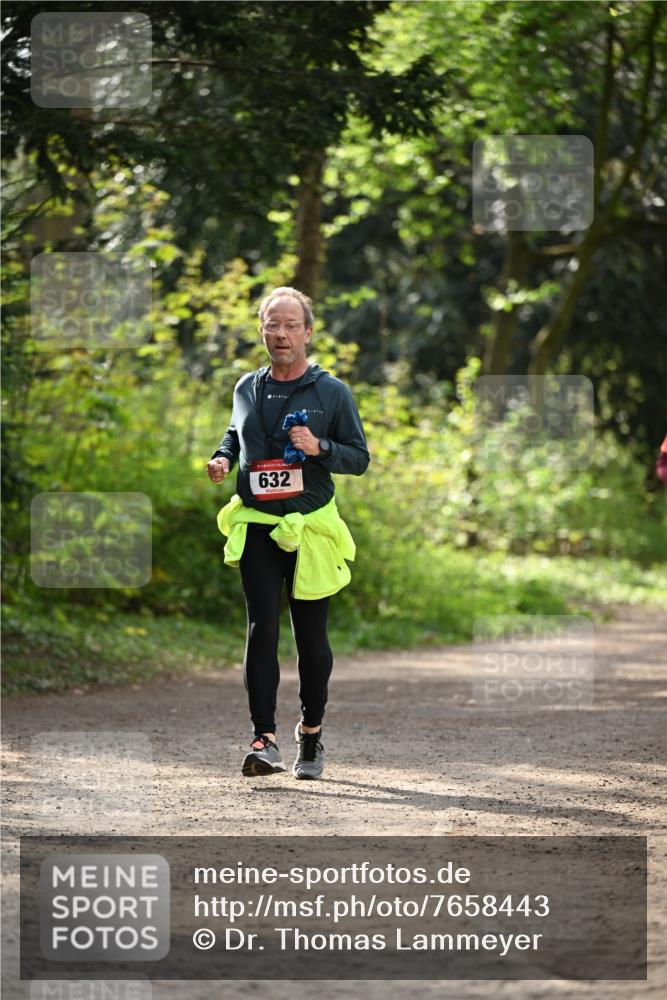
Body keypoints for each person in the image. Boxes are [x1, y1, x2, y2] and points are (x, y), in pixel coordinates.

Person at [207, 286, 370, 780]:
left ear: (308, 332)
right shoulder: (247, 387)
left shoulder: (331, 392)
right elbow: (235, 431)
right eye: (272, 325)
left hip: (310, 529)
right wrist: (223, 458)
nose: (280, 334)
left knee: (311, 641)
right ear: (262, 329)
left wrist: (320, 446)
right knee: (261, 629)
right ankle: (264, 737)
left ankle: (312, 734)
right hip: (258, 523)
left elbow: (358, 458)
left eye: (290, 325)